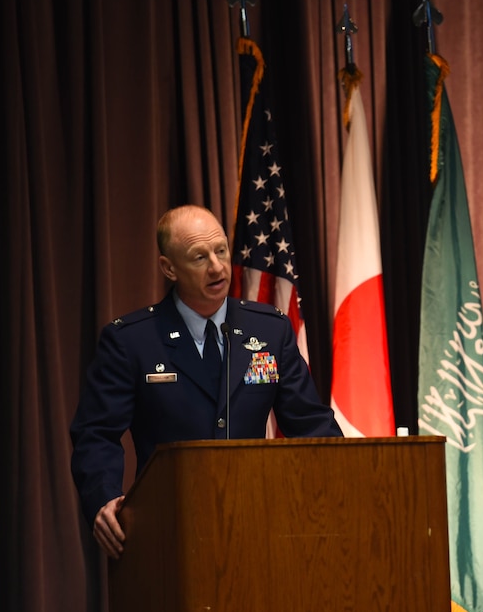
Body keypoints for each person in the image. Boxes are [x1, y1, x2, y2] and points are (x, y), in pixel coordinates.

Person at [70, 204, 342, 558]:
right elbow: (96, 434)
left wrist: (344, 482)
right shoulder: (131, 341)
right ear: (169, 267)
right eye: (199, 257)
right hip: (170, 532)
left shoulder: (269, 330)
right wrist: (104, 498)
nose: (216, 267)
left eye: (221, 251)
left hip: (260, 526)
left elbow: (310, 423)